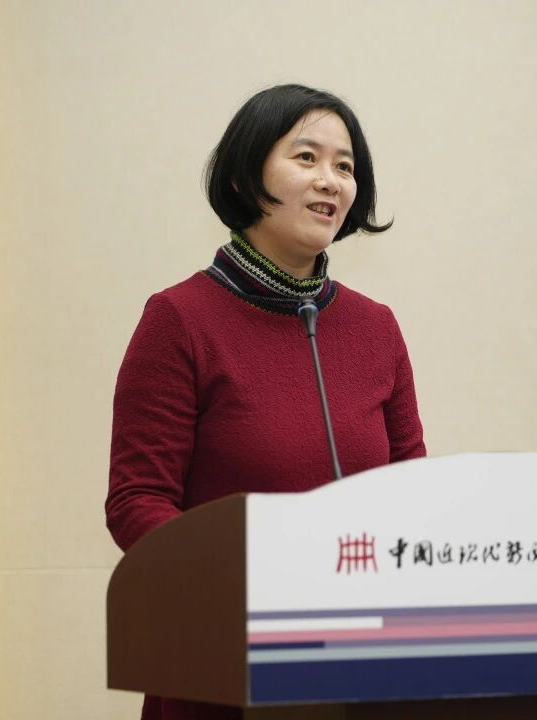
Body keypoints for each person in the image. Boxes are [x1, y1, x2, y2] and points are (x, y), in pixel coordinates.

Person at [105, 84, 426, 720]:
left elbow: (412, 490)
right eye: (306, 157)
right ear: (246, 175)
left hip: (363, 663)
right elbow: (137, 500)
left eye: (345, 166)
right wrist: (238, 580)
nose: (330, 180)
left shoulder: (376, 327)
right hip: (223, 662)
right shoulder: (180, 319)